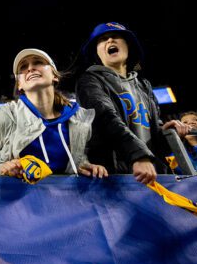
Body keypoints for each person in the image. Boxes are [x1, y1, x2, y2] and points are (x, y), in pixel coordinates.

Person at [76, 22, 190, 185]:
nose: (109, 41)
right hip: (116, 179)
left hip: (153, 175)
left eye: (116, 37)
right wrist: (139, 155)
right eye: (103, 40)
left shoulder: (144, 85)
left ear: (129, 46)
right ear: (96, 52)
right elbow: (105, 118)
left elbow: (154, 139)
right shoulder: (89, 80)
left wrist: (167, 134)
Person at [0, 48, 108, 178]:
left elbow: (79, 157)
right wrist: (0, 167)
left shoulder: (78, 118)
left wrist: (85, 166)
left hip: (60, 201)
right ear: (19, 85)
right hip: (16, 201)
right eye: (23, 67)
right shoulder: (7, 117)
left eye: (38, 62)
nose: (30, 68)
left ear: (54, 75)